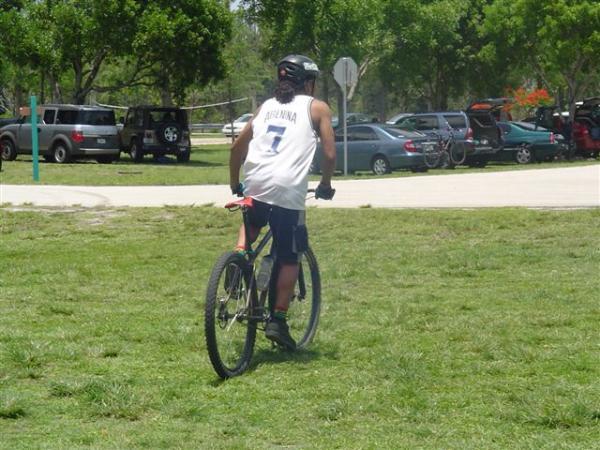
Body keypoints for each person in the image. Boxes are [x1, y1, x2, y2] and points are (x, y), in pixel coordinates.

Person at [229, 54, 336, 350]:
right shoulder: (317, 108)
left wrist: (234, 182)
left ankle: (237, 259)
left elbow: (237, 147)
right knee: (290, 255)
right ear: (309, 84)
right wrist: (325, 184)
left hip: (256, 182)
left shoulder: (266, 107)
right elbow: (328, 154)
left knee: (250, 221)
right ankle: (278, 319)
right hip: (288, 190)